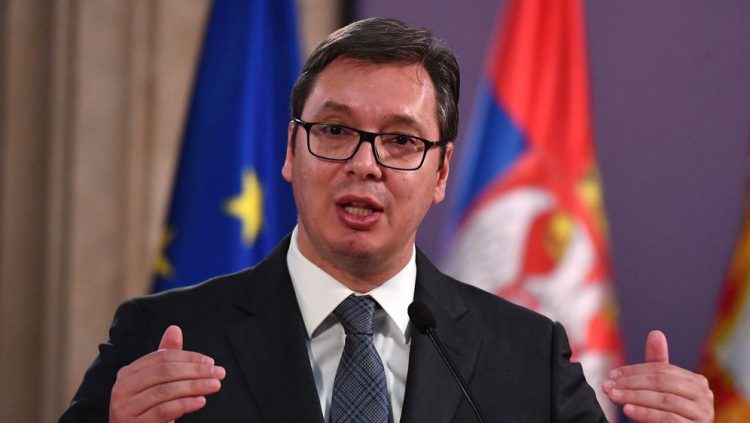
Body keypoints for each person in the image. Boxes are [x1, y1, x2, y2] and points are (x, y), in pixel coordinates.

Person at [60, 18, 714, 423]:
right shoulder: (165, 337)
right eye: (335, 130)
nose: (364, 164)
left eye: (401, 141)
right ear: (290, 151)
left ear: (442, 172)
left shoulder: (528, 357)